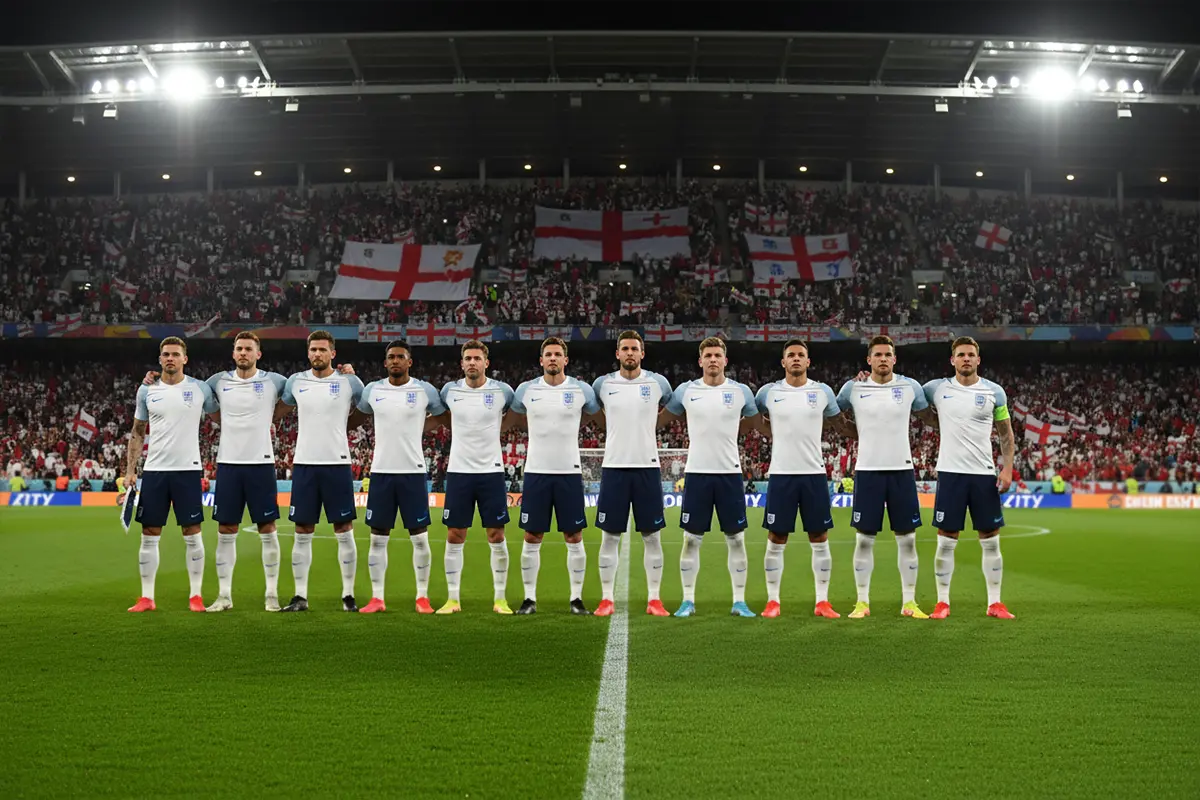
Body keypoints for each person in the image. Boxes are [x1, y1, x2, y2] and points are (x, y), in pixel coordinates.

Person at [747, 339, 858, 619]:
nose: (796, 359)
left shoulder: (822, 392)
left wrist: (871, 432)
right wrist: (772, 433)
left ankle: (822, 601)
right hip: (781, 474)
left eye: (801, 355)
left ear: (809, 362)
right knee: (776, 537)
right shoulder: (767, 393)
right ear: (783, 362)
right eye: (791, 355)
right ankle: (773, 601)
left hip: (814, 474)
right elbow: (755, 418)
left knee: (819, 537)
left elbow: (840, 425)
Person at [835, 335, 938, 619]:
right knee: (864, 540)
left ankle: (909, 603)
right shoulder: (852, 388)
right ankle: (862, 603)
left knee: (907, 540)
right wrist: (856, 433)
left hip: (902, 470)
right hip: (867, 470)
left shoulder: (910, 387)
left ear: (894, 359)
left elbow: (928, 417)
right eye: (877, 355)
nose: (882, 359)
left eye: (887, 355)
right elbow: (834, 414)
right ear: (868, 359)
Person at [659, 337, 759, 617]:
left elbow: (752, 421)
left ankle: (739, 601)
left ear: (725, 360)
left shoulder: (740, 392)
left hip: (729, 474)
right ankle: (687, 601)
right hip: (697, 474)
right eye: (708, 355)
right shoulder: (686, 391)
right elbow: (664, 417)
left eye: (718, 355)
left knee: (736, 539)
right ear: (700, 360)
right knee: (691, 540)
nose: (713, 360)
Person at [350, 340, 449, 614]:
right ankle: (377, 598)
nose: (395, 361)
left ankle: (422, 597)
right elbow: (355, 417)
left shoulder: (425, 390)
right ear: (385, 363)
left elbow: (444, 418)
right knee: (378, 536)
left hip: (413, 472)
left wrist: (419, 426)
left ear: (409, 362)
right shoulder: (373, 390)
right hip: (381, 472)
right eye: (391, 357)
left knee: (419, 536)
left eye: (400, 357)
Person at [508, 337, 602, 615]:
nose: (552, 358)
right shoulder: (526, 390)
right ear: (541, 360)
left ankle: (576, 599)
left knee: (574, 536)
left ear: (565, 359)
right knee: (532, 536)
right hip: (536, 472)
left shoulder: (581, 389)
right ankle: (529, 599)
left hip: (569, 473)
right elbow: (512, 419)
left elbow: (596, 417)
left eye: (557, 354)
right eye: (548, 354)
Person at [924, 337, 1016, 620]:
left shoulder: (994, 392)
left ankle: (995, 603)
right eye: (961, 354)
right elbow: (911, 403)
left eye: (971, 355)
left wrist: (1008, 468)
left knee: (990, 540)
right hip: (951, 473)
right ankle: (942, 602)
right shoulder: (936, 389)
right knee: (946, 539)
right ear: (952, 360)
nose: (966, 359)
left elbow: (1005, 433)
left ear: (978, 360)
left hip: (983, 474)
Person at [125, 337, 219, 613]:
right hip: (155, 471)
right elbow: (137, 431)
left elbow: (222, 417)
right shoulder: (147, 391)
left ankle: (196, 596)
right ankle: (147, 598)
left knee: (192, 532)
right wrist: (130, 470)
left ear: (184, 359)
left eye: (175, 354)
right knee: (149, 533)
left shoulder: (200, 388)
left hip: (188, 470)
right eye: (166, 354)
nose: (170, 359)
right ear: (159, 358)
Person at [277, 330, 365, 612]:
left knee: (344, 529)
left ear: (333, 354)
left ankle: (348, 595)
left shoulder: (349, 382)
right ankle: (300, 596)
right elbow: (279, 408)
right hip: (304, 464)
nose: (317, 354)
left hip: (337, 463)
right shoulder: (295, 382)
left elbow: (365, 408)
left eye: (322, 350)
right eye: (313, 350)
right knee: (302, 529)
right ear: (308, 353)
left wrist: (346, 426)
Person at [591, 330, 674, 617]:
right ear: (617, 354)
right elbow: (593, 412)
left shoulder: (658, 383)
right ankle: (606, 598)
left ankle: (654, 599)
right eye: (624, 348)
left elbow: (671, 409)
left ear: (642, 353)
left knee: (652, 536)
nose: (629, 353)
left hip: (647, 467)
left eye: (634, 349)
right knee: (610, 537)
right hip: (614, 467)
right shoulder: (602, 384)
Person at [436, 340, 516, 615]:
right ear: (462, 363)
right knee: (455, 534)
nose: (472, 362)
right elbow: (441, 416)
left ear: (486, 362)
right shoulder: (449, 391)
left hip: (491, 472)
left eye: (477, 358)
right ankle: (453, 599)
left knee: (496, 534)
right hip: (459, 472)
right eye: (468, 358)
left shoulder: (503, 391)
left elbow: (515, 416)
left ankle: (500, 599)